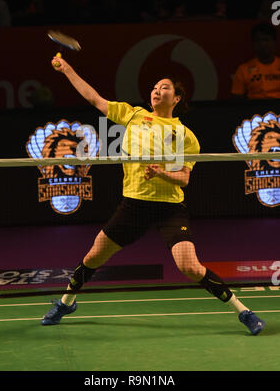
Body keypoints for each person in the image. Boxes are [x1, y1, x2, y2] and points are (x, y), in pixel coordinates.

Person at [41, 55, 265, 336]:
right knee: (93, 257)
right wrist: (67, 70)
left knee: (191, 267)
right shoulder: (133, 114)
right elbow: (94, 99)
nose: (157, 90)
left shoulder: (185, 135)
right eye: (155, 87)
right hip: (133, 205)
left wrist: (160, 173)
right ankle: (66, 302)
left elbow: (183, 178)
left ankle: (244, 312)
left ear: (178, 98)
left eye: (165, 87)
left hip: (169, 207)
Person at [231, 22, 280, 99]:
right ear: (253, 43)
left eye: (266, 39)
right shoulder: (243, 70)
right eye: (258, 40)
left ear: (274, 42)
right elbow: (237, 101)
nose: (262, 44)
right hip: (255, 109)